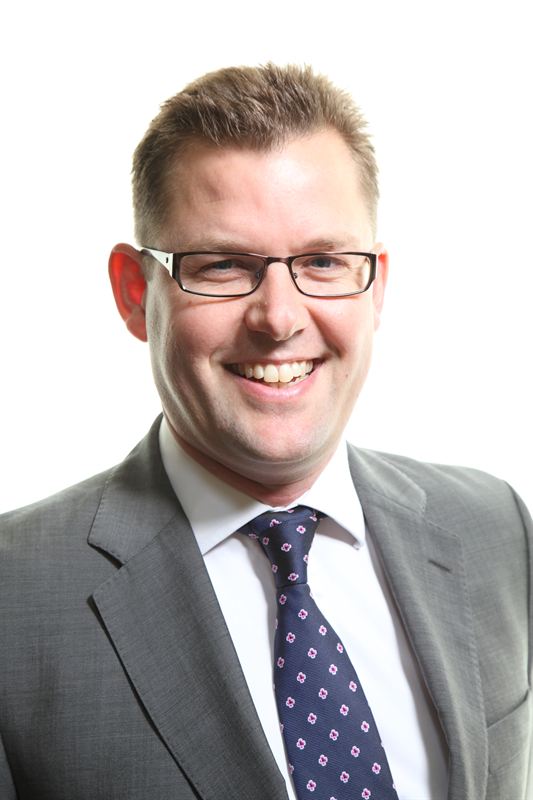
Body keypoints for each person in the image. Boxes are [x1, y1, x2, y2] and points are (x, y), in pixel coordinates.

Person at [0, 64, 530, 800]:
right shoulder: (14, 597)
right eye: (222, 265)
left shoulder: (494, 528)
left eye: (323, 261)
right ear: (134, 293)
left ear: (375, 285)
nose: (278, 318)